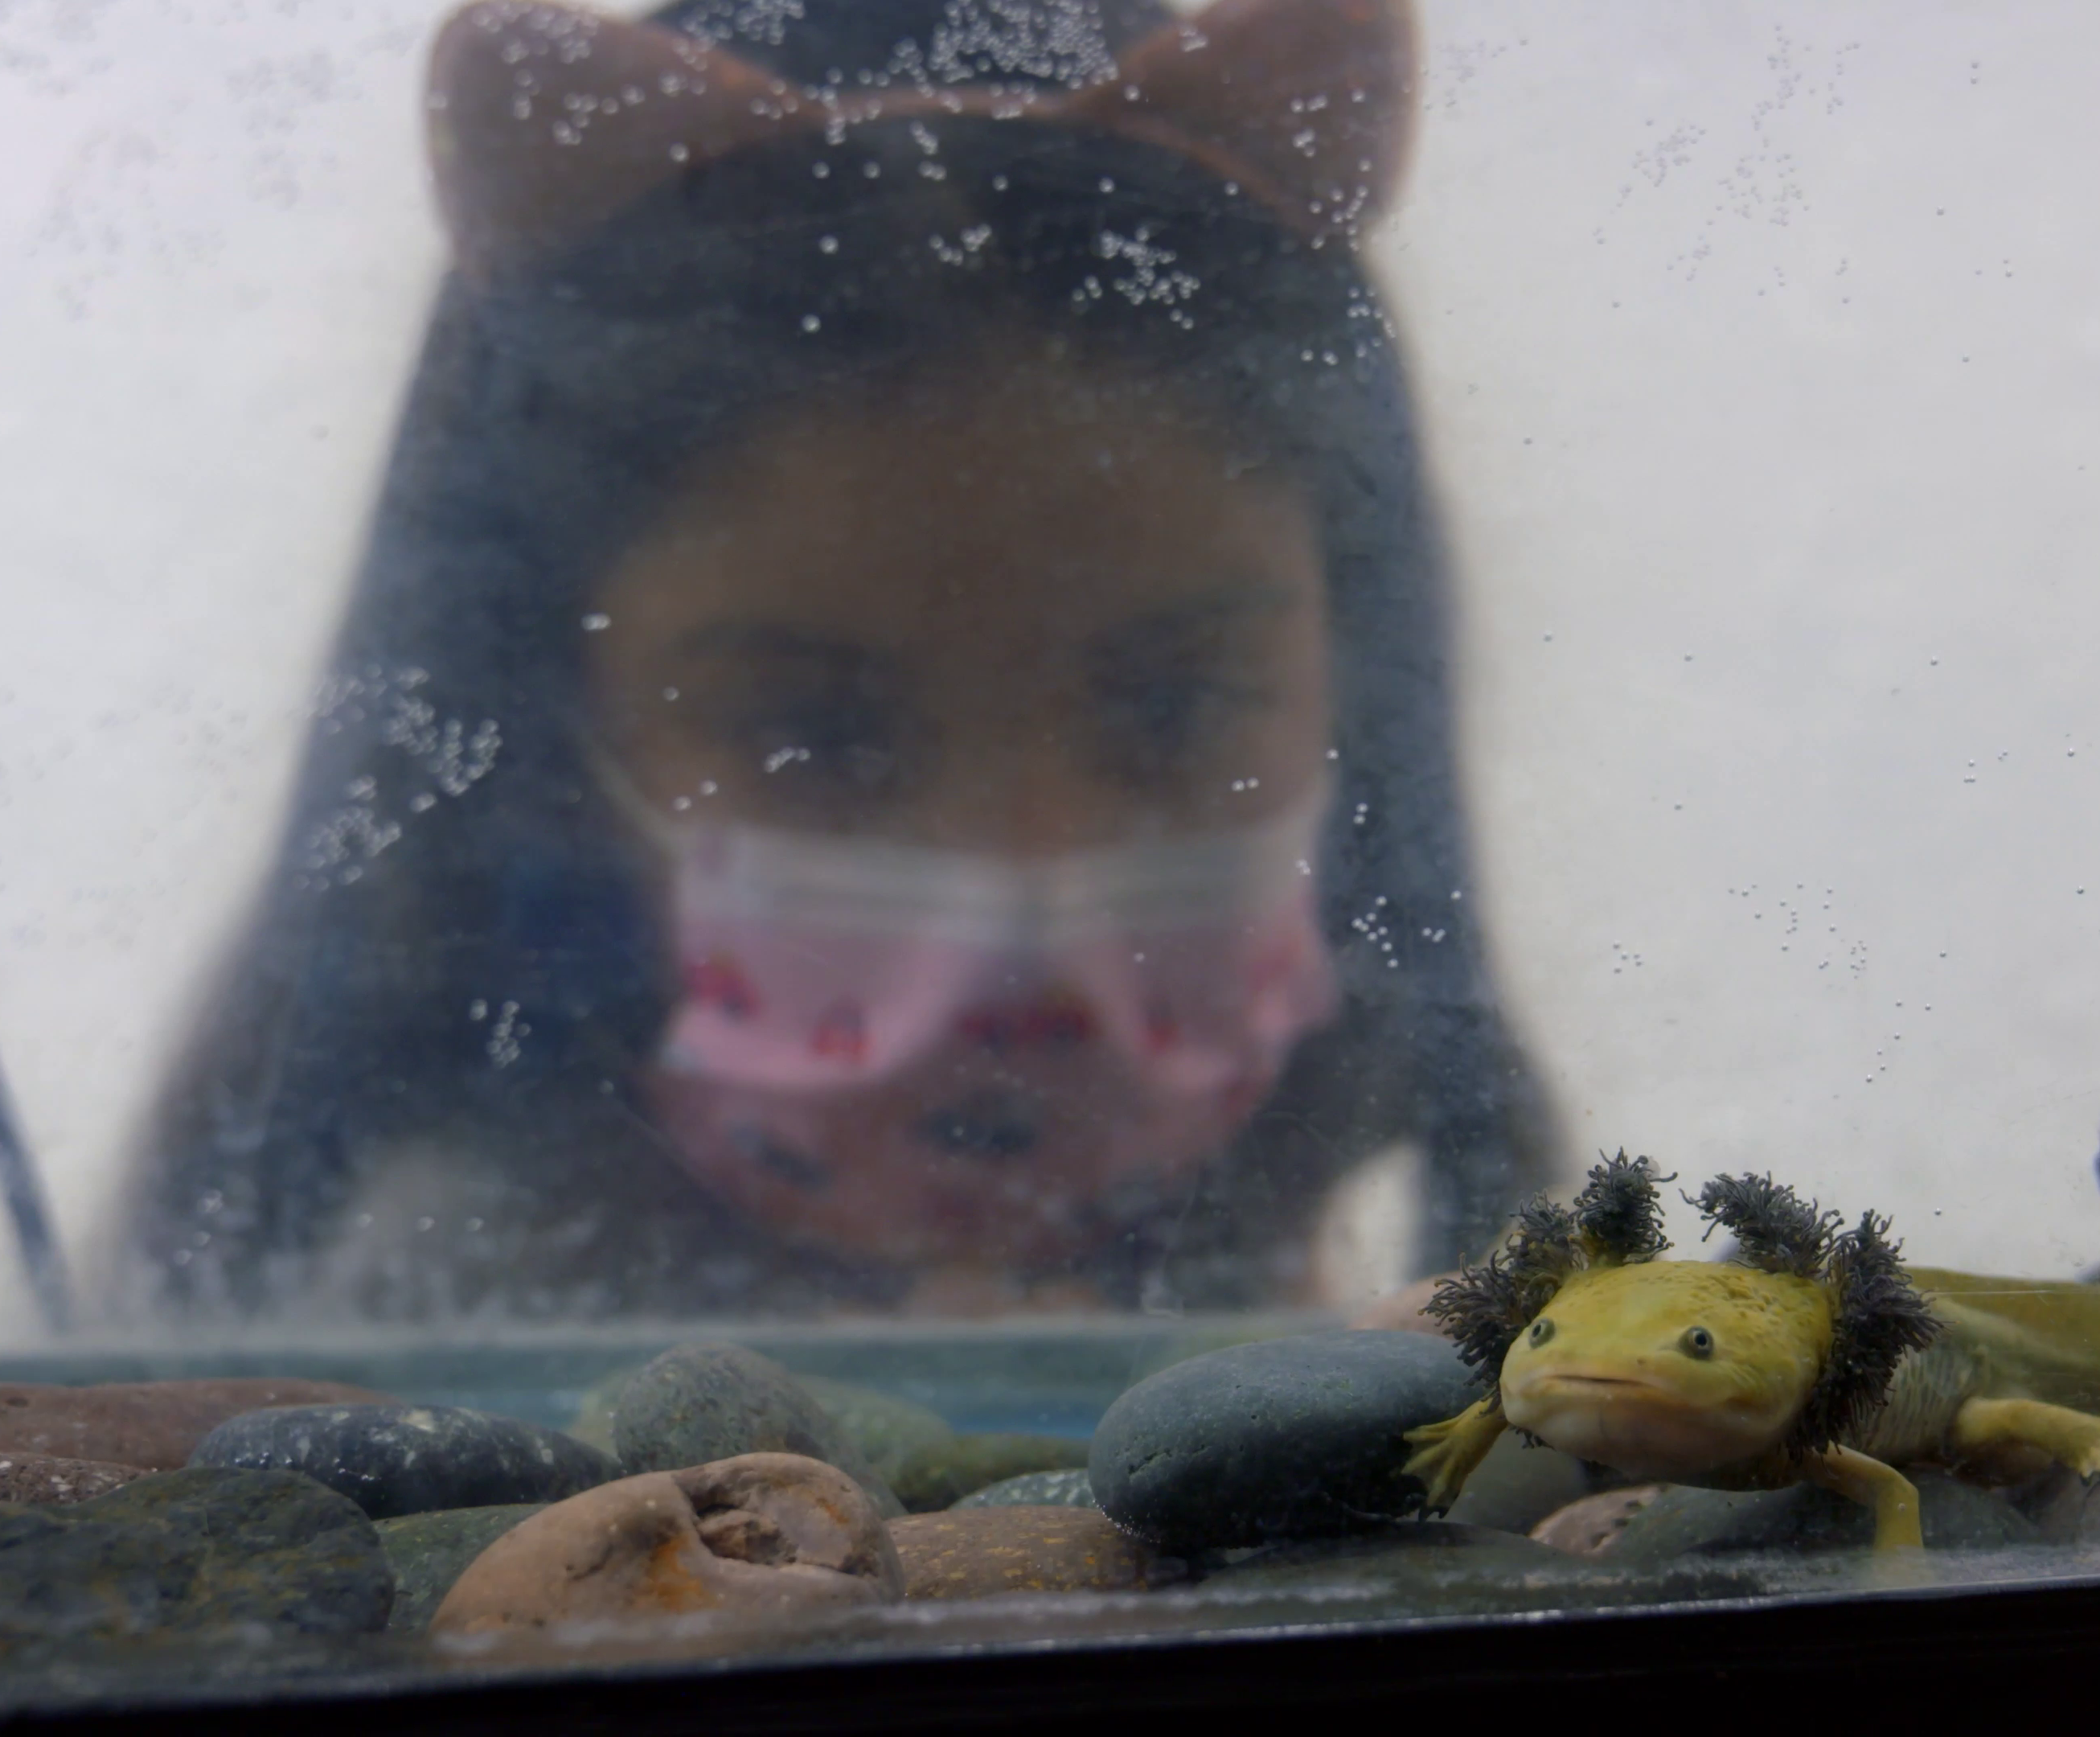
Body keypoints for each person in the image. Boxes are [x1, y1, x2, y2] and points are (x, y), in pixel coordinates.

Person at [113, 0, 1552, 1321]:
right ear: (541, 734)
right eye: (810, 737)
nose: (1033, 865)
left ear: (1363, 675)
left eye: (1179, 706)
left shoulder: (1452, 1342)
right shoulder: (399, 1362)